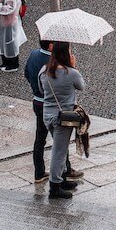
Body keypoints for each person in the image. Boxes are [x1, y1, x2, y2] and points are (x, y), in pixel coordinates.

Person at [25, 40, 83, 185]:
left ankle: (39, 172)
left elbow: (28, 74)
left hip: (40, 104)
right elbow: (81, 86)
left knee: (40, 140)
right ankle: (60, 179)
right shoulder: (68, 72)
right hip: (60, 112)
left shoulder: (37, 59)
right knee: (60, 147)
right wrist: (73, 66)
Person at [39, 41, 84, 199]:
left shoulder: (44, 70)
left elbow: (40, 88)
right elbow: (81, 86)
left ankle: (63, 178)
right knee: (59, 151)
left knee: (60, 148)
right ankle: (55, 186)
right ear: (66, 54)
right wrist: (74, 67)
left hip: (47, 115)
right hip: (63, 118)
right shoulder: (71, 73)